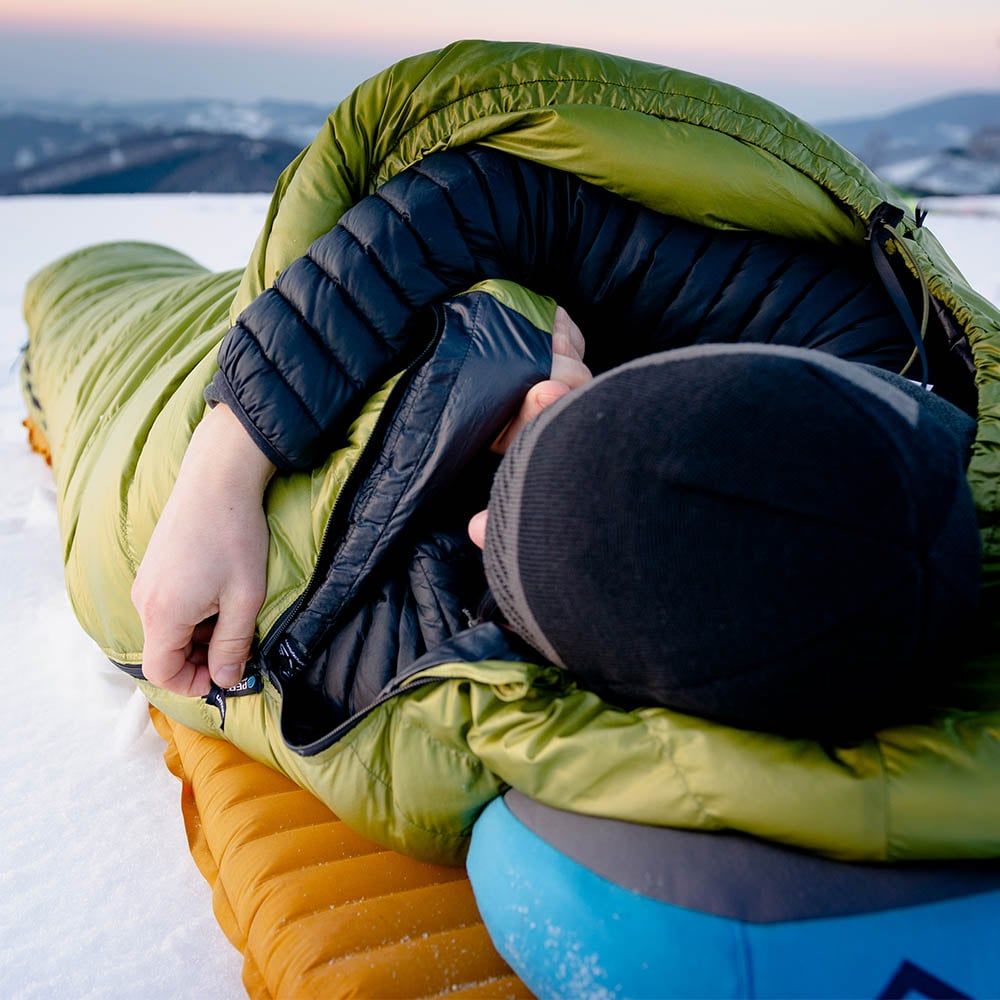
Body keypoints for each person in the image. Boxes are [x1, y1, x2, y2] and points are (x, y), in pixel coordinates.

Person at [131, 145, 978, 738]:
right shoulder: (850, 337)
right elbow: (492, 198)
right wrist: (226, 460)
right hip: (208, 321)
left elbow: (332, 682)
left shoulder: (772, 645)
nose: (475, 529)